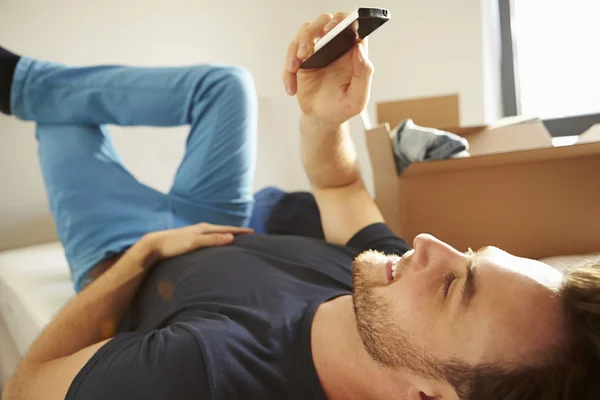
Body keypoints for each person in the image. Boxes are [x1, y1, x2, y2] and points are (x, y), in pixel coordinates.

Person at [2, 11, 600, 400]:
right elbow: (340, 188)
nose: (427, 245)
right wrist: (325, 117)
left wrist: (141, 256)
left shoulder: (197, 377)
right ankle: (26, 84)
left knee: (63, 120)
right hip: (222, 219)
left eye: (453, 288)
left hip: (124, 255)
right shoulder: (389, 286)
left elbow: (25, 386)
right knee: (227, 86)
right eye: (468, 257)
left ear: (429, 396)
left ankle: (23, 86)